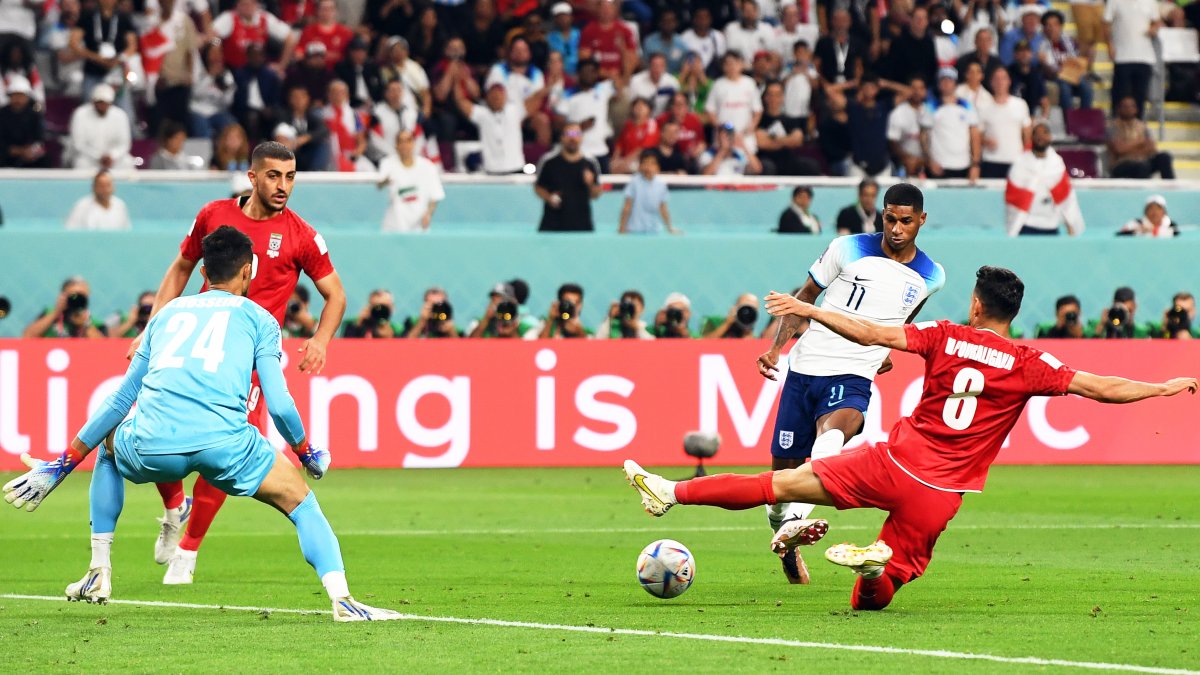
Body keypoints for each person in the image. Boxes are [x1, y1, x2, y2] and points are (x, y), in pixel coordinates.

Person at [625, 266, 1197, 612]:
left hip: (891, 461)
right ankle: (876, 570)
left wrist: (807, 309)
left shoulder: (945, 335)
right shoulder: (1031, 362)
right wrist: (1162, 387)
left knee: (776, 483)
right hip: (939, 493)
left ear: (976, 305)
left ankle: (670, 493)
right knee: (877, 591)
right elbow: (1101, 387)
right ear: (1013, 313)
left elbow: (870, 331)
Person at [3, 226, 399, 623]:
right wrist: (305, 451)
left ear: (203, 274)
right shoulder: (260, 318)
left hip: (153, 445)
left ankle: (98, 570)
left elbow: (121, 399)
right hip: (226, 445)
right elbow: (278, 403)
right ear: (249, 271)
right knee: (302, 505)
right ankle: (342, 599)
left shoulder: (166, 315)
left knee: (108, 450)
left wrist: (62, 464)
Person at [129, 142, 347, 586]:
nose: (283, 186)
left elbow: (336, 295)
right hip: (193, 344)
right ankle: (174, 506)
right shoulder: (213, 214)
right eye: (273, 176)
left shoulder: (301, 235)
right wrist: (150, 330)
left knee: (222, 450)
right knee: (151, 423)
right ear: (252, 177)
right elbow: (180, 268)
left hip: (247, 361)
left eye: (290, 177)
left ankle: (188, 549)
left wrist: (321, 340)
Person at [751, 182, 943, 584]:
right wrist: (775, 349)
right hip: (806, 370)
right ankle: (785, 535)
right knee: (781, 481)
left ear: (921, 220)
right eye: (890, 218)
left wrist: (888, 348)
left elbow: (906, 316)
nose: (896, 228)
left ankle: (800, 519)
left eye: (906, 220)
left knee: (838, 427)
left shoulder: (931, 275)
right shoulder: (846, 248)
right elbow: (802, 298)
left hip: (855, 371)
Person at [1004, 123, 1084, 237]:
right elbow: (1013, 196)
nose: (1040, 137)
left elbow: (1066, 197)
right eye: (1037, 134)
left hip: (1050, 226)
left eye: (1044, 133)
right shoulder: (1021, 164)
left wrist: (1070, 224)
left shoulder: (1056, 164)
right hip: (1027, 225)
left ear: (1050, 137)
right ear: (1031, 138)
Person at [535, 122, 602, 232]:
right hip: (552, 225)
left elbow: (596, 194)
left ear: (581, 138)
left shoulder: (591, 163)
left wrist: (590, 184)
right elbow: (538, 187)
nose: (572, 138)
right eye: (569, 134)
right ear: (562, 137)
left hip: (582, 225)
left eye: (576, 134)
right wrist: (549, 197)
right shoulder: (548, 161)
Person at [376, 129, 444, 233]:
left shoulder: (428, 167)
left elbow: (435, 196)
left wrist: (428, 214)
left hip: (418, 229)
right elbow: (379, 186)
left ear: (413, 143)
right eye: (401, 141)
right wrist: (384, 182)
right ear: (396, 145)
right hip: (393, 228)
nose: (404, 145)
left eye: (408, 140)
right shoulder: (387, 164)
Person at [920, 67, 981, 182]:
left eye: (950, 80)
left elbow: (975, 136)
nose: (946, 83)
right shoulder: (931, 107)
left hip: (963, 165)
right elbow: (924, 136)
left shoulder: (967, 106)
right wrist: (929, 161)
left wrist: (975, 164)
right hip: (938, 166)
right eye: (943, 80)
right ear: (938, 84)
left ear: (955, 84)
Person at [456, 82, 529, 175]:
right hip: (492, 170)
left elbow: (536, 99)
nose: (496, 99)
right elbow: (461, 102)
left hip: (516, 168)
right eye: (493, 96)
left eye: (499, 96)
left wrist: (547, 87)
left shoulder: (514, 111)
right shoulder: (482, 114)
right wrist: (456, 82)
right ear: (487, 97)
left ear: (505, 97)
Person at [1104, 0, 1161, 118]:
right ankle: (1116, 128)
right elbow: (1106, 23)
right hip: (1122, 56)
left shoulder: (1150, 2)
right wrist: (1109, 44)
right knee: (1120, 95)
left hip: (1145, 56)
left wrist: (1153, 29)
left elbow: (1157, 21)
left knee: (1140, 97)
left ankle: (1138, 129)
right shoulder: (1114, 1)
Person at [978, 68, 1031, 179]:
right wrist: (985, 141)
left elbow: (1027, 135)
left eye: (1003, 78)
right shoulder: (983, 106)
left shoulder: (1020, 104)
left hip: (1015, 160)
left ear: (1009, 81)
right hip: (991, 161)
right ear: (991, 82)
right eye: (996, 79)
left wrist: (1028, 160)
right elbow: (977, 135)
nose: (1000, 82)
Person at [68, 84, 135, 170]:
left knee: (127, 162)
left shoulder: (120, 115)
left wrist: (112, 156)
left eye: (106, 103)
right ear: (93, 101)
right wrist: (98, 157)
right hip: (89, 159)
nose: (102, 106)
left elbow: (124, 144)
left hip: (114, 160)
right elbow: (78, 144)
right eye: (99, 102)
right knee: (81, 164)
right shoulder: (80, 114)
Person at [1108, 96, 1176, 180]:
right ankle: (1142, 192)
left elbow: (1151, 147)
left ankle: (1170, 187)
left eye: (1131, 106)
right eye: (1125, 106)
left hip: (1143, 160)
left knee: (1164, 157)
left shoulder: (1143, 126)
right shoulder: (1111, 127)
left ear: (1135, 109)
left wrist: (1129, 148)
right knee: (1141, 166)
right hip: (1121, 163)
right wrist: (1139, 143)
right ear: (1118, 109)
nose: (1128, 109)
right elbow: (1119, 150)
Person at [22, 276, 106, 339]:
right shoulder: (48, 313)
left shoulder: (96, 323)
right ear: (63, 295)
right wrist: (56, 313)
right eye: (73, 296)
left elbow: (105, 349)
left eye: (81, 296)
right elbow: (27, 336)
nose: (76, 299)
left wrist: (85, 324)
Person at [619, 150, 677, 235]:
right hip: (635, 230)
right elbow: (627, 206)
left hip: (654, 230)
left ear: (658, 167)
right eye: (645, 163)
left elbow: (663, 209)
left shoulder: (661, 185)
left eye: (652, 163)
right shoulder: (634, 182)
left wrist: (670, 228)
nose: (648, 166)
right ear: (640, 166)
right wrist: (622, 227)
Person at [0, 73, 46, 167]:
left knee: (45, 159)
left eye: (21, 96)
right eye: (15, 95)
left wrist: (31, 151)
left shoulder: (34, 115)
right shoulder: (2, 114)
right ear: (10, 97)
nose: (18, 99)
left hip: (29, 154)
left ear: (27, 98)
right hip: (6, 153)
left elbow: (39, 139)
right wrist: (17, 151)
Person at [886, 76, 927, 178]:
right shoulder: (898, 112)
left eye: (920, 88)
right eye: (914, 88)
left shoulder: (931, 110)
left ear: (925, 91)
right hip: (904, 164)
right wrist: (907, 158)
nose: (917, 92)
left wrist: (926, 160)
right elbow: (892, 142)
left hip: (928, 163)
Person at [65, 170, 131, 231]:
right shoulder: (82, 206)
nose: (105, 190)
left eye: (108, 185)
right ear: (94, 187)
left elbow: (126, 231)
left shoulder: (120, 205)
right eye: (101, 186)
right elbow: (70, 231)